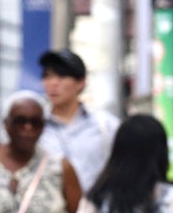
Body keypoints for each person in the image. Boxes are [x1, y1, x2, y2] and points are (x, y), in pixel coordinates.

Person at [38, 49, 120, 195]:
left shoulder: (107, 126)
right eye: (47, 76)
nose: (53, 83)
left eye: (62, 76)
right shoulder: (34, 128)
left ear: (81, 83)